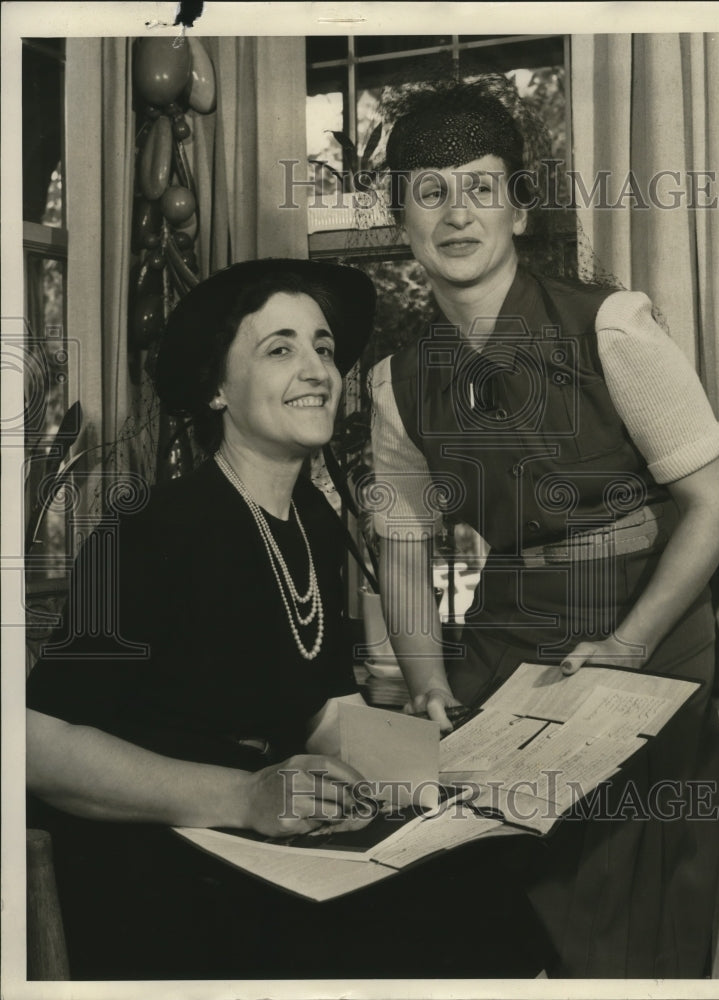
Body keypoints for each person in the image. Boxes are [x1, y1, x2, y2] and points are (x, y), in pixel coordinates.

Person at [26, 258, 552, 981]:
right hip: (150, 864)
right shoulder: (149, 530)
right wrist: (243, 795)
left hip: (260, 844)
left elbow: (322, 707)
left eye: (324, 348)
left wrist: (455, 773)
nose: (316, 370)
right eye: (279, 349)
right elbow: (37, 745)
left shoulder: (313, 522)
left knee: (490, 886)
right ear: (217, 389)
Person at [370, 81, 719, 978]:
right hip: (504, 641)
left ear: (519, 209)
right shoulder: (394, 379)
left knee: (626, 920)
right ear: (400, 217)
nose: (457, 213)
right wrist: (424, 686)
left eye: (480, 186)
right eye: (429, 190)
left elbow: (713, 500)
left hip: (644, 636)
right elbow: (402, 545)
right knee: (491, 908)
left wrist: (627, 642)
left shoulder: (610, 327)